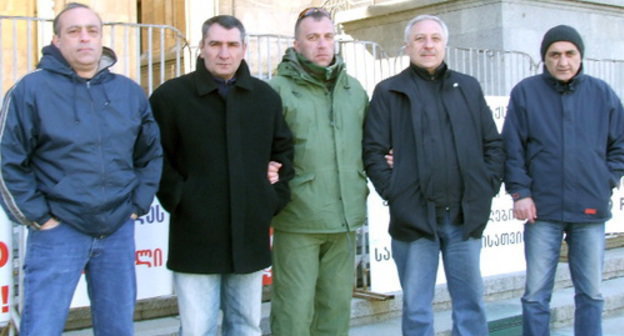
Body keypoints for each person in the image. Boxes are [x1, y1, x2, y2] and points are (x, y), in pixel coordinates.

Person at [0, 3, 163, 335]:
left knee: (117, 328)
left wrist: (135, 206)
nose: (84, 39)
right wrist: (40, 218)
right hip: (59, 232)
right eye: (73, 31)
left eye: (92, 31)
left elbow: (150, 155)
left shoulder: (128, 92)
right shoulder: (30, 91)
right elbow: (8, 161)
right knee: (42, 327)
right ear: (57, 40)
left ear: (102, 38)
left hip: (117, 229)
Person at [149, 15, 294, 336]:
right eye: (215, 44)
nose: (223, 53)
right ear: (201, 48)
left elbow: (283, 153)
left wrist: (270, 197)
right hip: (195, 235)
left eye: (232, 45)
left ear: (244, 49)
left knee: (245, 326)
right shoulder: (170, 98)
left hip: (249, 233)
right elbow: (155, 158)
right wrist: (181, 198)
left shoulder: (264, 97)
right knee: (197, 328)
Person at [363, 14, 504, 336]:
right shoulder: (389, 91)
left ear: (444, 44)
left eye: (435, 38)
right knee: (416, 310)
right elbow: (372, 151)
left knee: (471, 307)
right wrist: (395, 191)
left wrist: (487, 186)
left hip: (463, 219)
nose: (428, 45)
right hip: (415, 221)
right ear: (407, 46)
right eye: (420, 39)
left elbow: (492, 144)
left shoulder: (467, 87)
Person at [502, 25, 624, 336]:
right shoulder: (526, 93)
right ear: (545, 58)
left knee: (591, 293)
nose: (563, 61)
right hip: (541, 210)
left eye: (570, 53)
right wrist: (520, 194)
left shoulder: (602, 94)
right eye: (554, 54)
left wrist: (605, 180)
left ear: (581, 56)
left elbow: (620, 147)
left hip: (589, 209)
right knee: (535, 295)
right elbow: (512, 149)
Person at [268, 7, 369, 336]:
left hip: (344, 218)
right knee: (293, 311)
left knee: (335, 310)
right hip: (298, 219)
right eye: (312, 38)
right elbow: (261, 149)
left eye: (328, 37)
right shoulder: (277, 90)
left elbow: (372, 145)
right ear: (296, 44)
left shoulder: (354, 90)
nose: (322, 44)